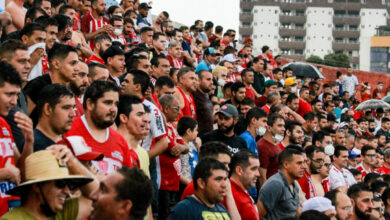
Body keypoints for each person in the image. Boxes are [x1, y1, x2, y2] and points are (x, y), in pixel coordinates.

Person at [0, 147, 97, 220]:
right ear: (37, 186)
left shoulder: (61, 213)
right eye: (60, 183)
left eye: (68, 184)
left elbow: (96, 196)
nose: (67, 191)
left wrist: (72, 162)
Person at [65, 80, 139, 175]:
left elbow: (127, 183)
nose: (113, 109)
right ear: (90, 104)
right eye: (108, 103)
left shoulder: (120, 141)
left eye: (116, 104)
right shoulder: (68, 130)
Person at [0, 61, 34, 216]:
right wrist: (4, 174)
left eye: (16, 95)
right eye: (9, 94)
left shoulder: (4, 125)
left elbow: (21, 173)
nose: (14, 102)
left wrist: (29, 142)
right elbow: (9, 173)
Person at [158, 94, 188, 220]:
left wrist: (182, 148)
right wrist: (180, 147)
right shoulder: (161, 125)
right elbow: (172, 149)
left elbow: (184, 147)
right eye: (176, 109)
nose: (179, 112)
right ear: (166, 109)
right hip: (163, 184)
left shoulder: (171, 126)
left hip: (173, 183)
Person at [257, 146, 306, 220]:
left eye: (304, 163)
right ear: (286, 164)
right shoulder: (275, 184)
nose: (304, 166)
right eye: (299, 163)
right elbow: (258, 216)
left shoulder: (294, 184)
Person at [0, 39, 31, 151]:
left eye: (29, 61)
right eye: (22, 61)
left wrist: (30, 142)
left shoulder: (21, 94)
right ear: (5, 62)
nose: (28, 66)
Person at [34, 84, 75, 151]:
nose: (73, 114)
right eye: (66, 108)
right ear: (48, 109)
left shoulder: (69, 143)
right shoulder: (36, 146)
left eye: (73, 107)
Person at [229, 150, 260, 220]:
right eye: (253, 169)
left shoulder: (242, 190)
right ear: (239, 170)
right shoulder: (230, 194)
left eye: (258, 169)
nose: (258, 174)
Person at [258, 114, 285, 186]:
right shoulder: (262, 146)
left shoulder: (275, 144)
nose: (283, 129)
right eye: (280, 126)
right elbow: (262, 177)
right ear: (269, 128)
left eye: (283, 126)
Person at [192, 70, 214, 137]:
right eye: (208, 79)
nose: (212, 82)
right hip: (199, 138)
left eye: (212, 80)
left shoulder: (205, 95)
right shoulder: (193, 95)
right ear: (198, 81)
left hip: (208, 137)